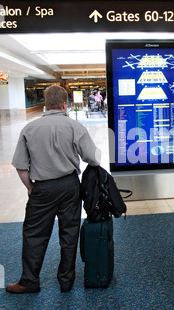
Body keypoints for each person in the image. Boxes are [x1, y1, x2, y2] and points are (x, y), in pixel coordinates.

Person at [6, 85, 102, 294]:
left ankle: (29, 281)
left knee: (34, 235)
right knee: (69, 233)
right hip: (69, 186)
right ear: (65, 104)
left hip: (42, 188)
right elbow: (93, 158)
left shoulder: (29, 129)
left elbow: (21, 166)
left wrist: (31, 188)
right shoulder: (74, 126)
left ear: (45, 103)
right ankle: (66, 281)